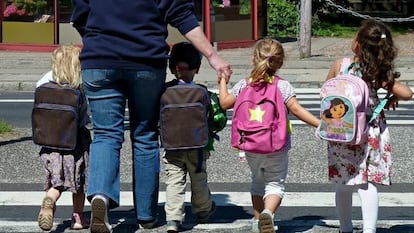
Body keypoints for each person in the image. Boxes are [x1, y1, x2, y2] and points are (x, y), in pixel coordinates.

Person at [70, 1, 232, 232]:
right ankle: (146, 215)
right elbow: (183, 17)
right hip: (145, 61)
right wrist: (212, 57)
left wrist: (99, 39)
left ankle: (101, 197)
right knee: (145, 133)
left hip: (99, 59)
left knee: (106, 134)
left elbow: (80, 16)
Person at [218, 38, 320, 233]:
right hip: (276, 146)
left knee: (257, 182)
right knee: (275, 183)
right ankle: (268, 214)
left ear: (254, 58)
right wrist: (320, 125)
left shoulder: (244, 85)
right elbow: (297, 110)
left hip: (250, 144)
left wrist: (222, 80)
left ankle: (258, 224)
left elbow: (224, 103)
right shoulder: (282, 86)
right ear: (280, 63)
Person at [324, 19, 413, 233]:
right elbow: (407, 93)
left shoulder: (340, 64)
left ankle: (345, 228)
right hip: (368, 131)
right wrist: (389, 98)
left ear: (357, 43)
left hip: (341, 129)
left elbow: (326, 89)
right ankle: (369, 230)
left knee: (343, 183)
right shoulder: (376, 72)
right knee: (367, 182)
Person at [162, 42, 216, 233]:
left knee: (174, 180)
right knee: (198, 178)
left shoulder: (164, 91)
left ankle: (173, 219)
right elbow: (211, 115)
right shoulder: (201, 92)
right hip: (197, 145)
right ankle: (203, 209)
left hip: (171, 145)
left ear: (171, 67)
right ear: (197, 68)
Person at [36, 45, 90, 231]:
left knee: (55, 180)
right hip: (73, 143)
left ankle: (49, 200)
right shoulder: (79, 88)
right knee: (78, 183)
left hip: (49, 142)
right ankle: (78, 219)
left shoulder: (43, 83)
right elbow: (83, 119)